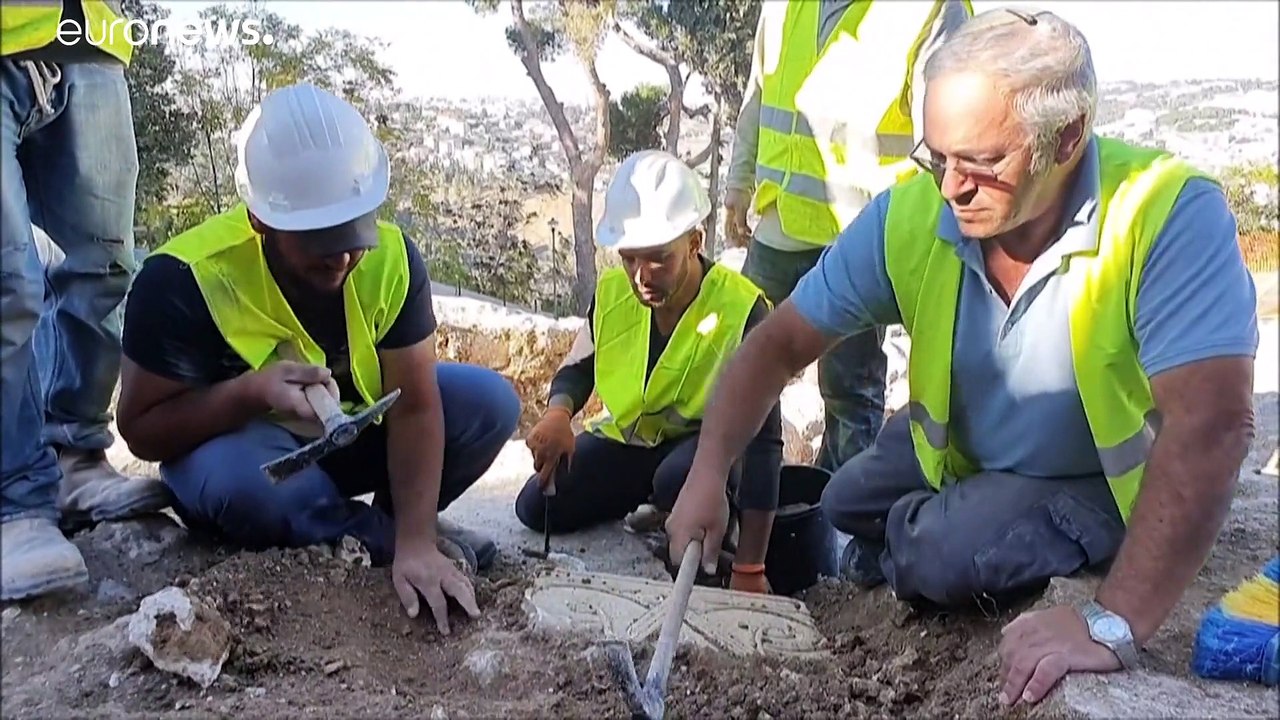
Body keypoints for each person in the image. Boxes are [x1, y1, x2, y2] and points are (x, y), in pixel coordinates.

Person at [666, 6, 1257, 707]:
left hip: (1090, 477)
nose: (950, 189)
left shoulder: (1165, 213)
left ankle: (966, 536)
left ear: (1067, 138)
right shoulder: (916, 213)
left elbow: (1214, 427)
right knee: (843, 497)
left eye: (980, 163)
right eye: (936, 158)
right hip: (963, 452)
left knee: (938, 555)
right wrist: (708, 474)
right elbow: (777, 345)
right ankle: (932, 522)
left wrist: (1113, 620)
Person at [115, 83, 522, 635]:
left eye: (352, 232)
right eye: (319, 240)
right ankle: (369, 535)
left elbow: (416, 408)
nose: (343, 254)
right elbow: (143, 432)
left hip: (345, 439)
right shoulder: (182, 279)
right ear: (262, 222)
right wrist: (250, 393)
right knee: (252, 488)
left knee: (487, 402)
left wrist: (420, 540)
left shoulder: (389, 259)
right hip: (246, 455)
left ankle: (406, 528)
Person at [517, 150, 783, 593]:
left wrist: (751, 567)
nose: (641, 276)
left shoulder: (742, 307)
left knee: (676, 479)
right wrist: (558, 413)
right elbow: (581, 364)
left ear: (695, 242)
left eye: (658, 258)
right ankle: (659, 505)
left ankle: (705, 511)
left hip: (711, 452)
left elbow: (764, 442)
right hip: (635, 444)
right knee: (538, 506)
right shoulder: (614, 294)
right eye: (630, 259)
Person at [723, 0, 973, 472]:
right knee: (743, 362)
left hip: (859, 235)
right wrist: (739, 182)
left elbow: (946, 133)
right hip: (780, 223)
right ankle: (735, 497)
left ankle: (839, 523)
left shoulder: (929, 9)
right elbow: (759, 94)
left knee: (849, 392)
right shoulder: (781, 7)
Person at [1, 0, 172, 602]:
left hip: (87, 34)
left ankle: (75, 456)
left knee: (102, 266)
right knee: (9, 281)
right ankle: (13, 501)